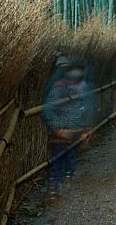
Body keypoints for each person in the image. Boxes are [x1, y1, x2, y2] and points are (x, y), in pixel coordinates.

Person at [40, 59, 91, 195]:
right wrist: (59, 129)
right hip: (61, 133)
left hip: (76, 131)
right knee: (57, 159)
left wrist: (85, 129)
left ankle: (65, 186)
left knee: (71, 158)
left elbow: (86, 108)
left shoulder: (83, 86)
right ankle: (53, 188)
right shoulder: (58, 87)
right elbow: (47, 110)